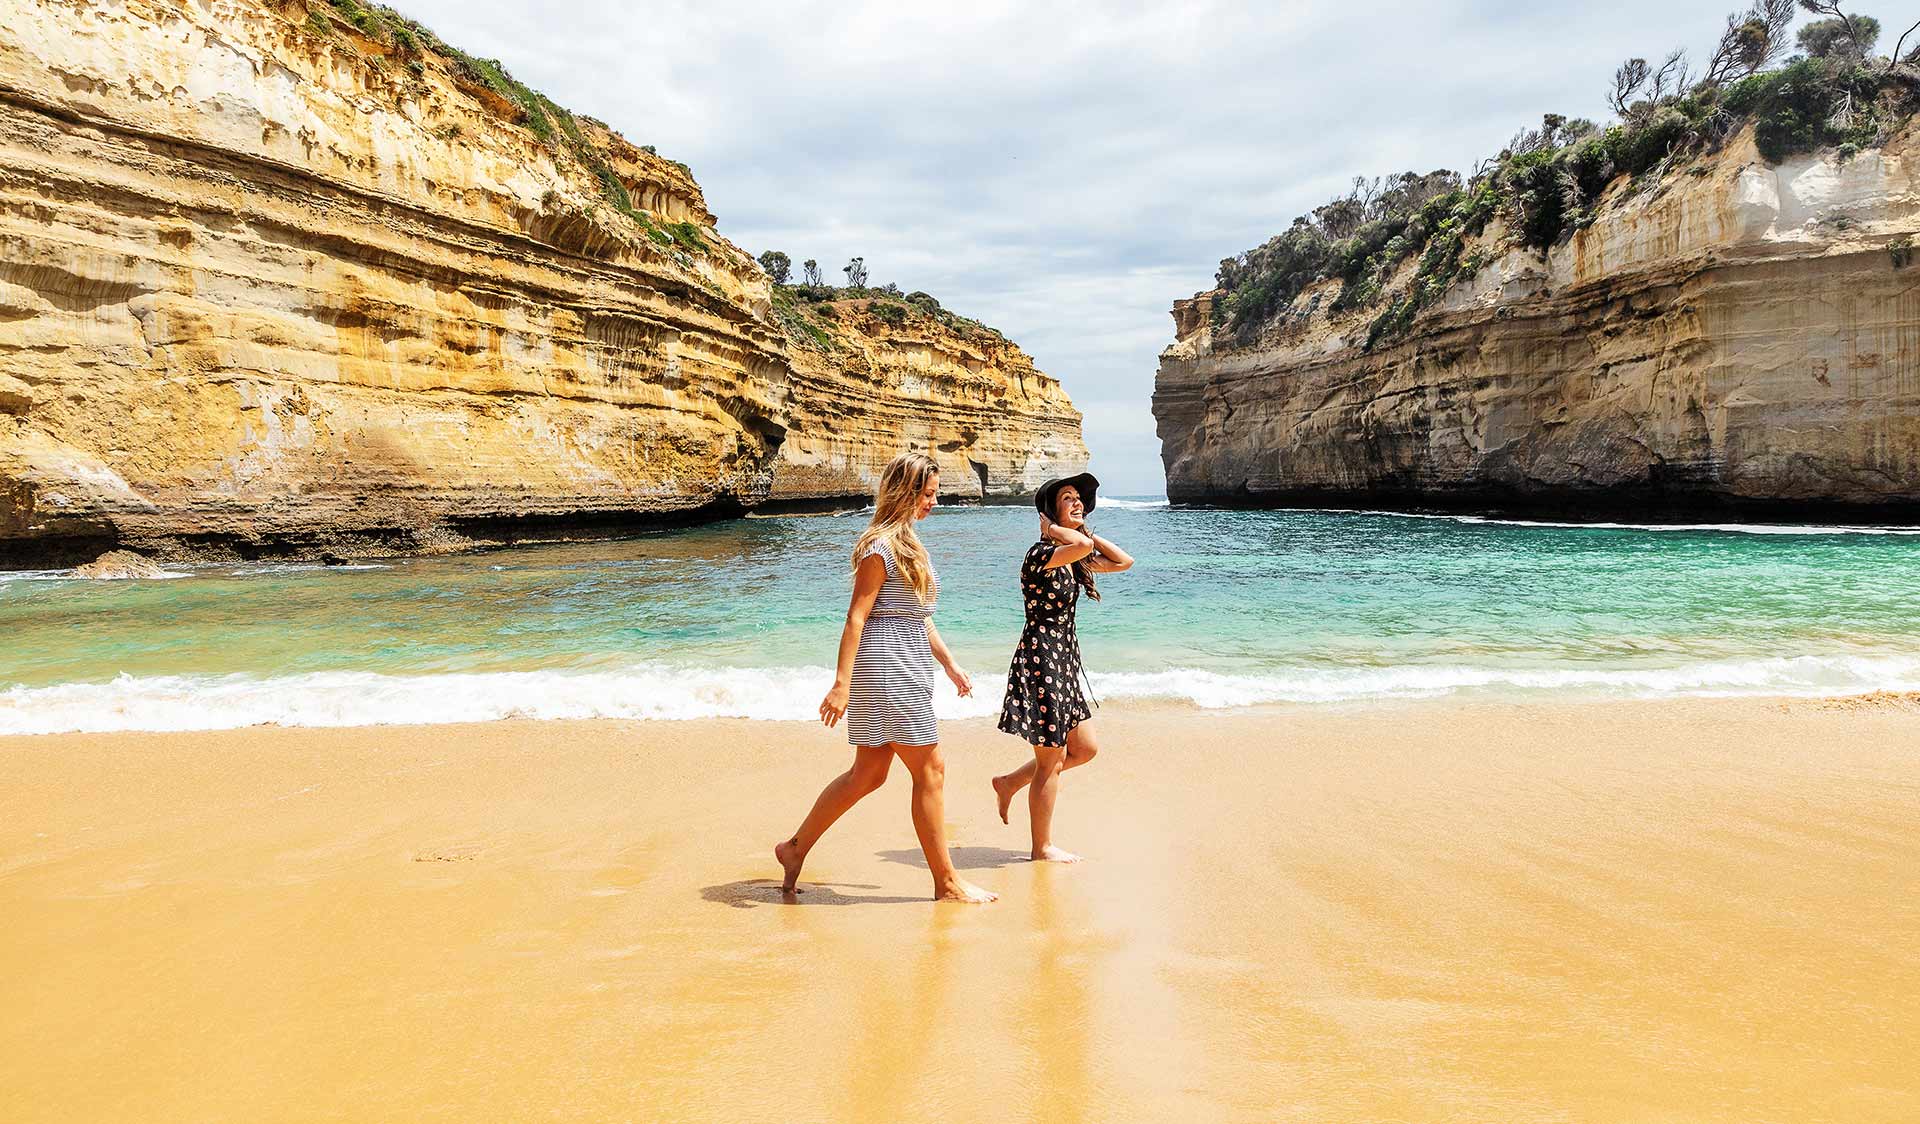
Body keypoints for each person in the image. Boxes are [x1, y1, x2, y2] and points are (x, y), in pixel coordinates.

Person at [775, 452, 997, 903]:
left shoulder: (910, 543)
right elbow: (856, 617)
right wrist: (840, 684)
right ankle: (947, 882)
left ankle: (794, 848)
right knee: (930, 768)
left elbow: (917, 615)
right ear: (907, 492)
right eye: (929, 494)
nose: (934, 502)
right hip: (887, 669)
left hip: (906, 662)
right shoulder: (880, 547)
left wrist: (949, 664)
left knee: (869, 774)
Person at [991, 472, 1133, 862]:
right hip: (1041, 661)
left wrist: (1082, 529)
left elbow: (1123, 562)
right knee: (1051, 761)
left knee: (1084, 749)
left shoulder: (1074, 559)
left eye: (1079, 499)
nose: (1077, 502)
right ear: (1049, 513)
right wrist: (1057, 530)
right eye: (1067, 498)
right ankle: (1042, 848)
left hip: (1063, 661)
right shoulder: (1041, 555)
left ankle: (1008, 782)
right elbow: (1082, 545)